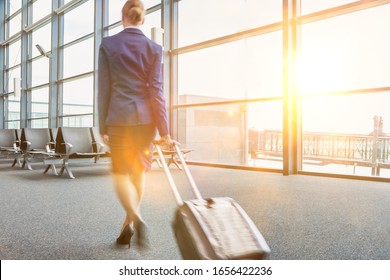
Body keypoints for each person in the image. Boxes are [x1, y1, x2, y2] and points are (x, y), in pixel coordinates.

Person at [98, 0, 171, 248]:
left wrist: (103, 126)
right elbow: (156, 92)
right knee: (138, 173)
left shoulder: (108, 44)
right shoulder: (154, 48)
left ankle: (136, 219)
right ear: (143, 18)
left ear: (123, 17)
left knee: (120, 174)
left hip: (118, 119)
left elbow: (104, 89)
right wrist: (164, 130)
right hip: (145, 122)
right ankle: (126, 226)